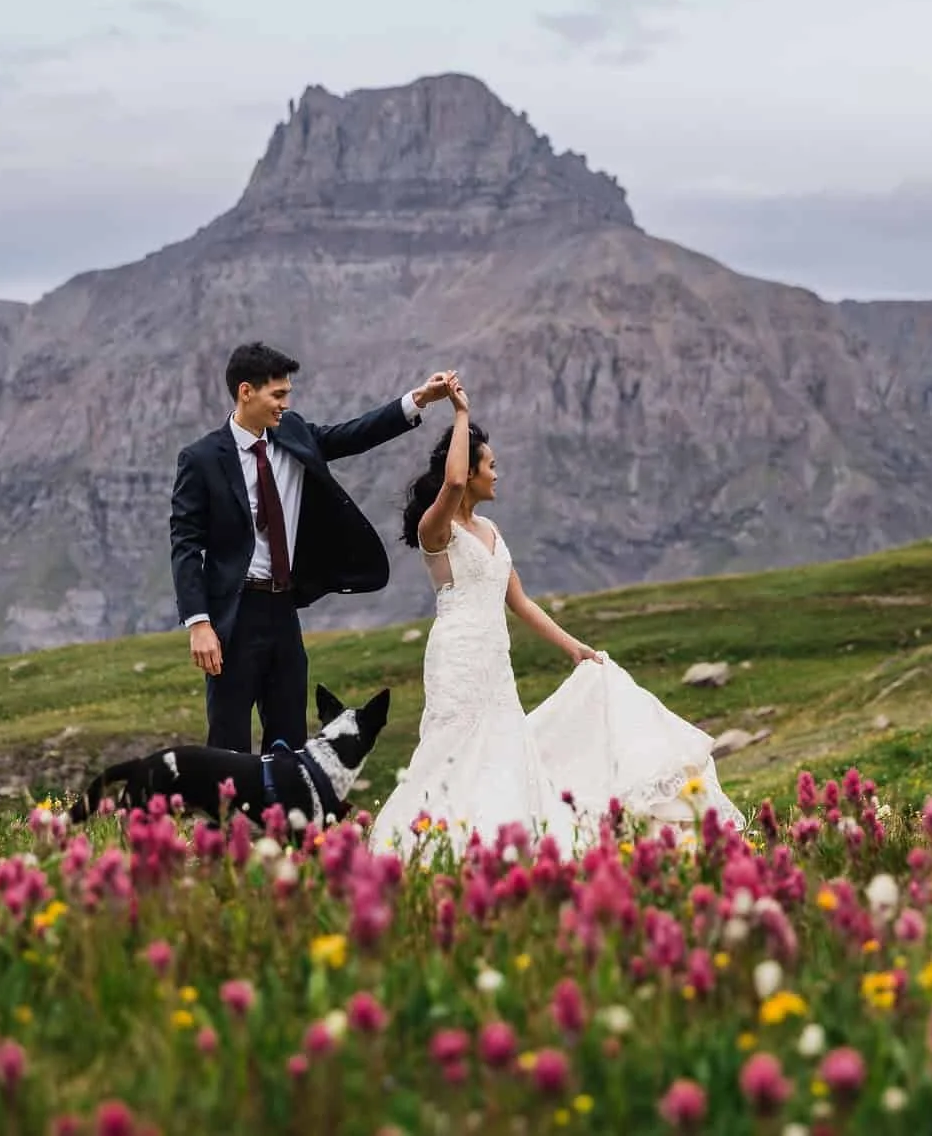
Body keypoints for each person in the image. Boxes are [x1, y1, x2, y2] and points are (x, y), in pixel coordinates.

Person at [370, 376, 746, 856]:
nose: (497, 474)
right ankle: (441, 842)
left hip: (494, 655)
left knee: (502, 745)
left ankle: (499, 839)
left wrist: (575, 648)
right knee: (454, 744)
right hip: (457, 655)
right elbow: (454, 481)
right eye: (493, 465)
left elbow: (521, 603)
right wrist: (461, 415)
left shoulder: (491, 530)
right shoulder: (436, 529)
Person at [171, 342, 456, 753]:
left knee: (287, 734)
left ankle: (280, 819)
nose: (285, 404)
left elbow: (352, 435)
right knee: (228, 743)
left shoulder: (293, 432)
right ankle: (222, 818)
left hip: (284, 609)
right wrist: (199, 624)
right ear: (246, 392)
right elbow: (184, 544)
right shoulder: (200, 458)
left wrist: (417, 400)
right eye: (278, 395)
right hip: (234, 616)